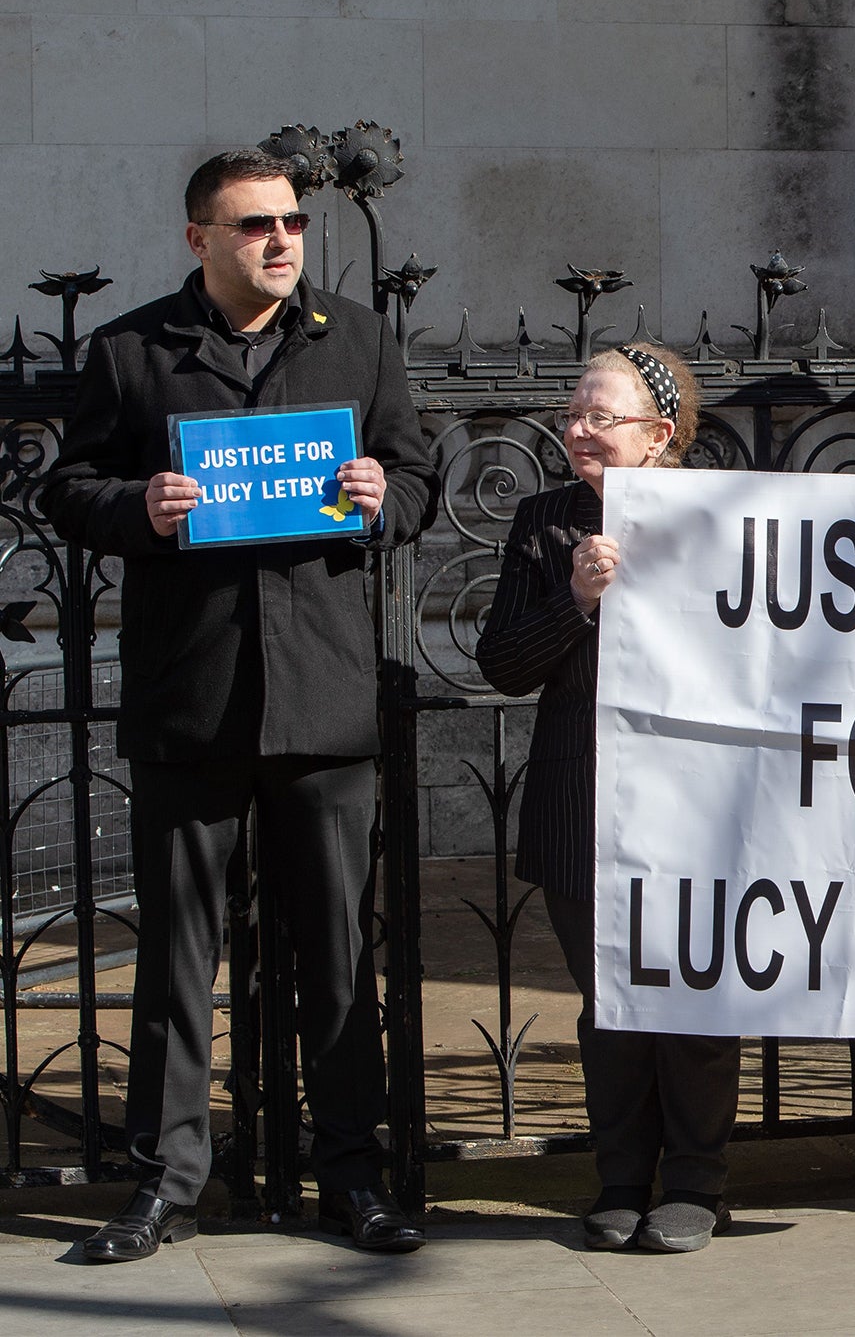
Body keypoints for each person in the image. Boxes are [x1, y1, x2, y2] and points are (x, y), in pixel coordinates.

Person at [42, 149, 439, 1261]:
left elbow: (417, 476)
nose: (281, 240)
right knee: (177, 960)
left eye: (294, 223)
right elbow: (67, 486)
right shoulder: (131, 350)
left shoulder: (356, 340)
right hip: (195, 697)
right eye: (256, 224)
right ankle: (165, 1180)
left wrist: (378, 499)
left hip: (322, 697)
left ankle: (350, 1175)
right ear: (199, 240)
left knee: (333, 954)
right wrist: (143, 505)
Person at [476, 342, 743, 1254]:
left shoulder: (721, 519)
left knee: (694, 997)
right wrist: (578, 600)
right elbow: (503, 663)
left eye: (602, 416)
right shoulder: (544, 521)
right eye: (573, 415)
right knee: (613, 1003)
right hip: (582, 797)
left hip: (698, 808)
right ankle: (622, 1177)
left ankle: (699, 1182)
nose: (579, 431)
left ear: (660, 433)